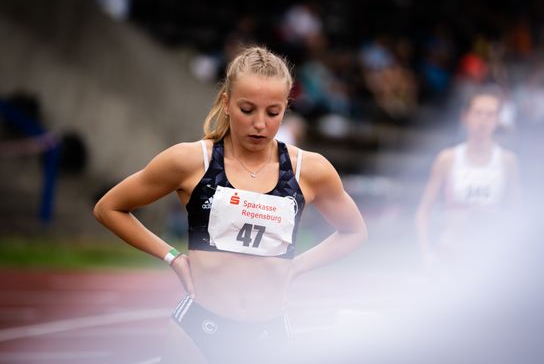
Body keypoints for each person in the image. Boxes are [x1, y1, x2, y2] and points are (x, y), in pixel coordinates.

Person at [93, 46, 368, 363]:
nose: (260, 124)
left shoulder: (311, 169)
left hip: (269, 337)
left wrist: (297, 268)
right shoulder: (192, 160)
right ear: (226, 103)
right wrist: (173, 258)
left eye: (273, 112)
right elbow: (109, 207)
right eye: (247, 109)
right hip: (197, 332)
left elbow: (354, 231)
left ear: (286, 109)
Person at [415, 91, 519, 270]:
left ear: (497, 120)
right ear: (465, 117)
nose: (483, 120)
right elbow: (423, 212)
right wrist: (426, 255)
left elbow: (518, 215)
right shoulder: (447, 159)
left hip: (491, 259)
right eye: (478, 113)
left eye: (490, 114)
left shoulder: (508, 161)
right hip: (450, 256)